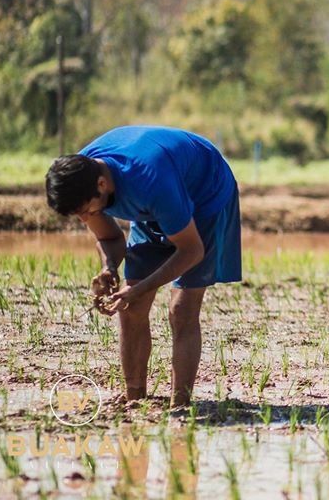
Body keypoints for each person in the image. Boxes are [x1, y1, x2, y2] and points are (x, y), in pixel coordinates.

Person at [45, 126, 241, 408]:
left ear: (102, 185)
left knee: (182, 310)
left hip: (205, 195)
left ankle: (181, 404)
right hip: (156, 200)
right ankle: (134, 397)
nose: (85, 218)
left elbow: (191, 250)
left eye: (88, 211)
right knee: (131, 308)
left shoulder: (151, 181)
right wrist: (109, 267)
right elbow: (110, 237)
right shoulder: (80, 178)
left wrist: (141, 287)